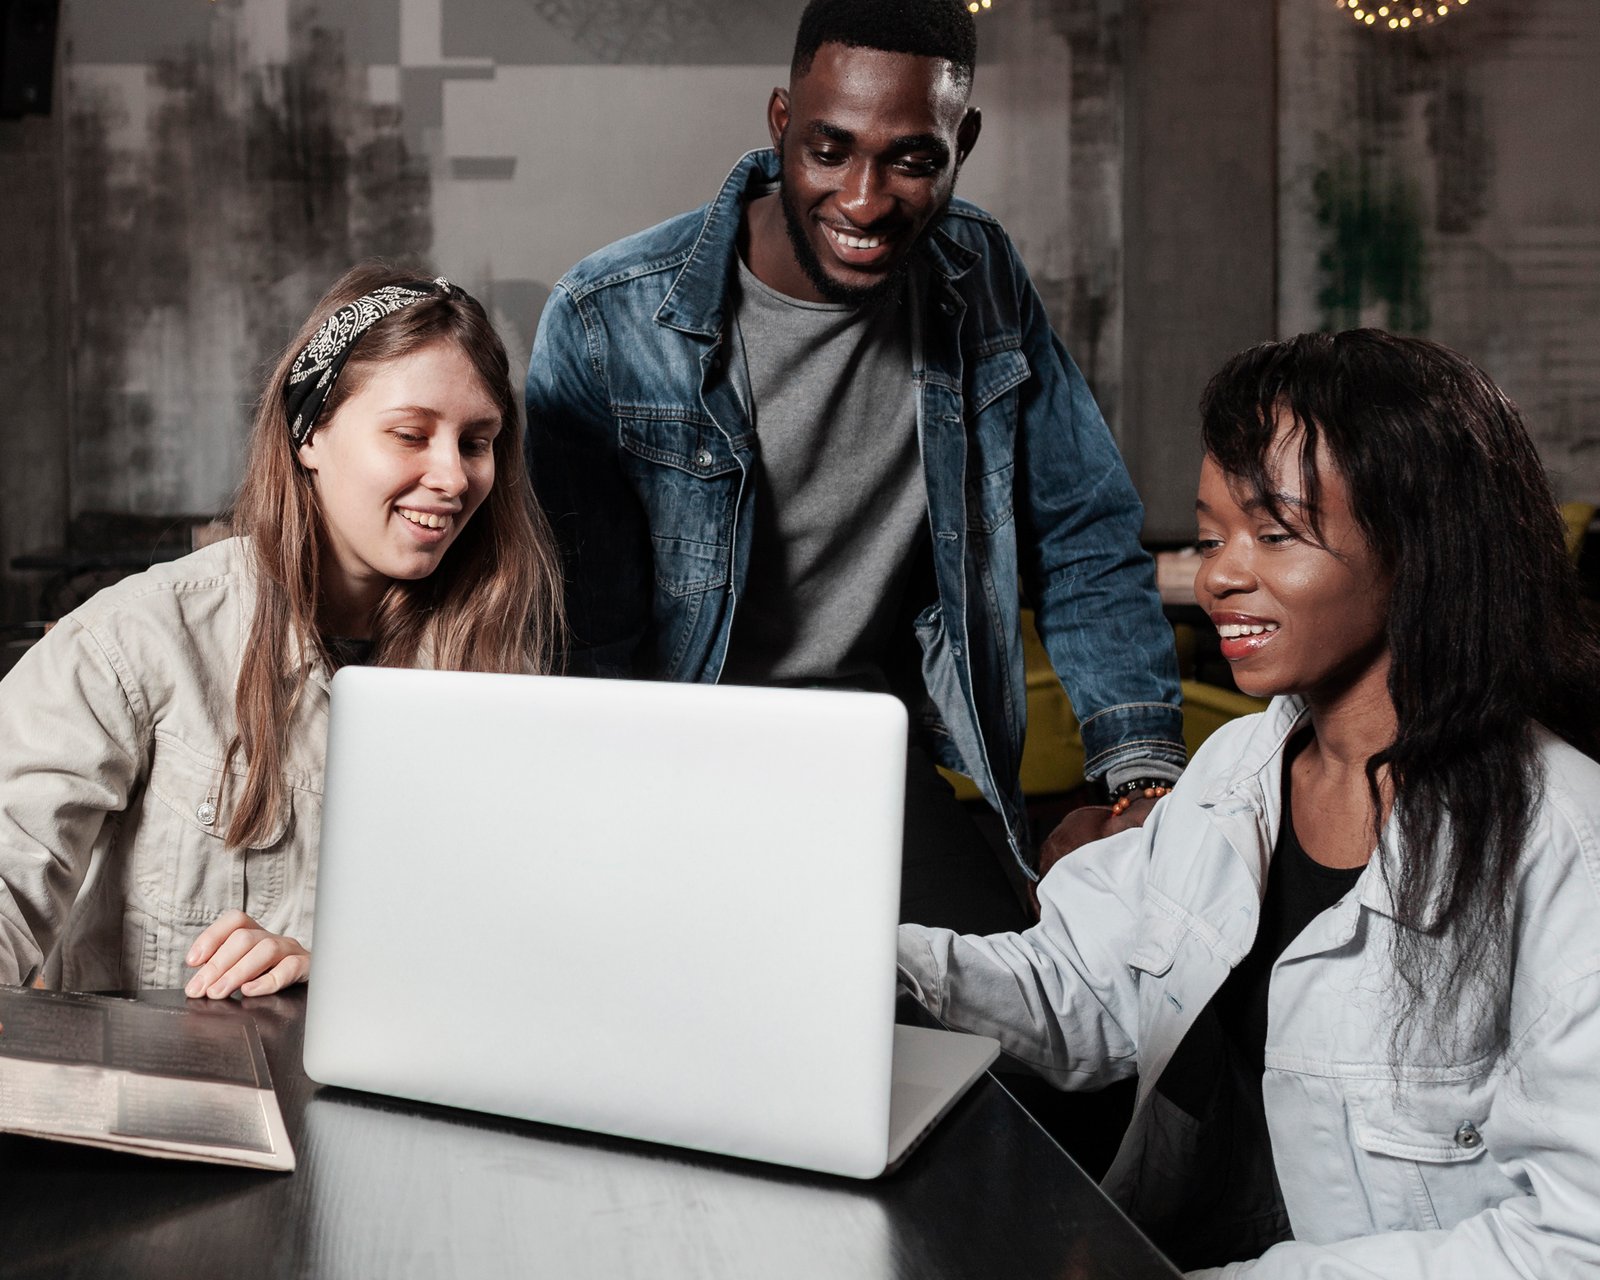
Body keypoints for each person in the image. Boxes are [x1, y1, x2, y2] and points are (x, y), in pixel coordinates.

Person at [896, 329, 1600, 1276]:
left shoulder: (1565, 846)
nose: (1222, 572)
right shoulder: (1238, 767)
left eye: (1275, 535)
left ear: (1422, 548)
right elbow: (1083, 988)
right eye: (1214, 532)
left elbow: (1570, 1241)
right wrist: (873, 965)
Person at [525, 0, 1184, 934]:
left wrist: (1144, 778)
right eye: (829, 151)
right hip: (672, 764)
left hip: (865, 758)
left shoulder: (979, 273)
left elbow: (1080, 531)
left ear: (966, 143)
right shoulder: (610, 316)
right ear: (781, 123)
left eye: (912, 160)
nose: (865, 200)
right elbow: (576, 637)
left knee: (1013, 1046)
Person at [0, 265, 563, 999]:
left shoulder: (497, 676)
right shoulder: (135, 641)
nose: (453, 477)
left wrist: (336, 971)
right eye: (410, 435)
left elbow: (517, 954)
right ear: (311, 435)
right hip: (159, 1106)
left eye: (476, 442)